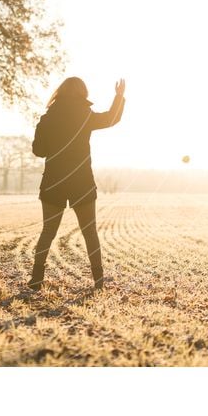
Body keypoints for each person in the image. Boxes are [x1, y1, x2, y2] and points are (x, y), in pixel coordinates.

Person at [29, 76, 126, 291]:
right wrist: (118, 96)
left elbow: (39, 151)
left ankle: (36, 278)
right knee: (89, 232)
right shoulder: (85, 115)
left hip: (54, 182)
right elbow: (111, 119)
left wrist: (46, 136)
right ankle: (98, 281)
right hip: (81, 181)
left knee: (48, 231)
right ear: (83, 93)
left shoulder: (47, 118)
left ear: (60, 91)